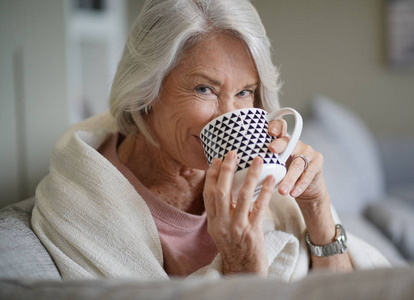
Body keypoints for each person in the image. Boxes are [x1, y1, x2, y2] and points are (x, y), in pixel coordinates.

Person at [31, 0, 389, 280]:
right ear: (146, 91)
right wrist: (239, 271)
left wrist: (317, 208)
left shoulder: (261, 172)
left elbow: (343, 293)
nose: (230, 116)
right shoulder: (86, 201)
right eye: (205, 89)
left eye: (246, 92)